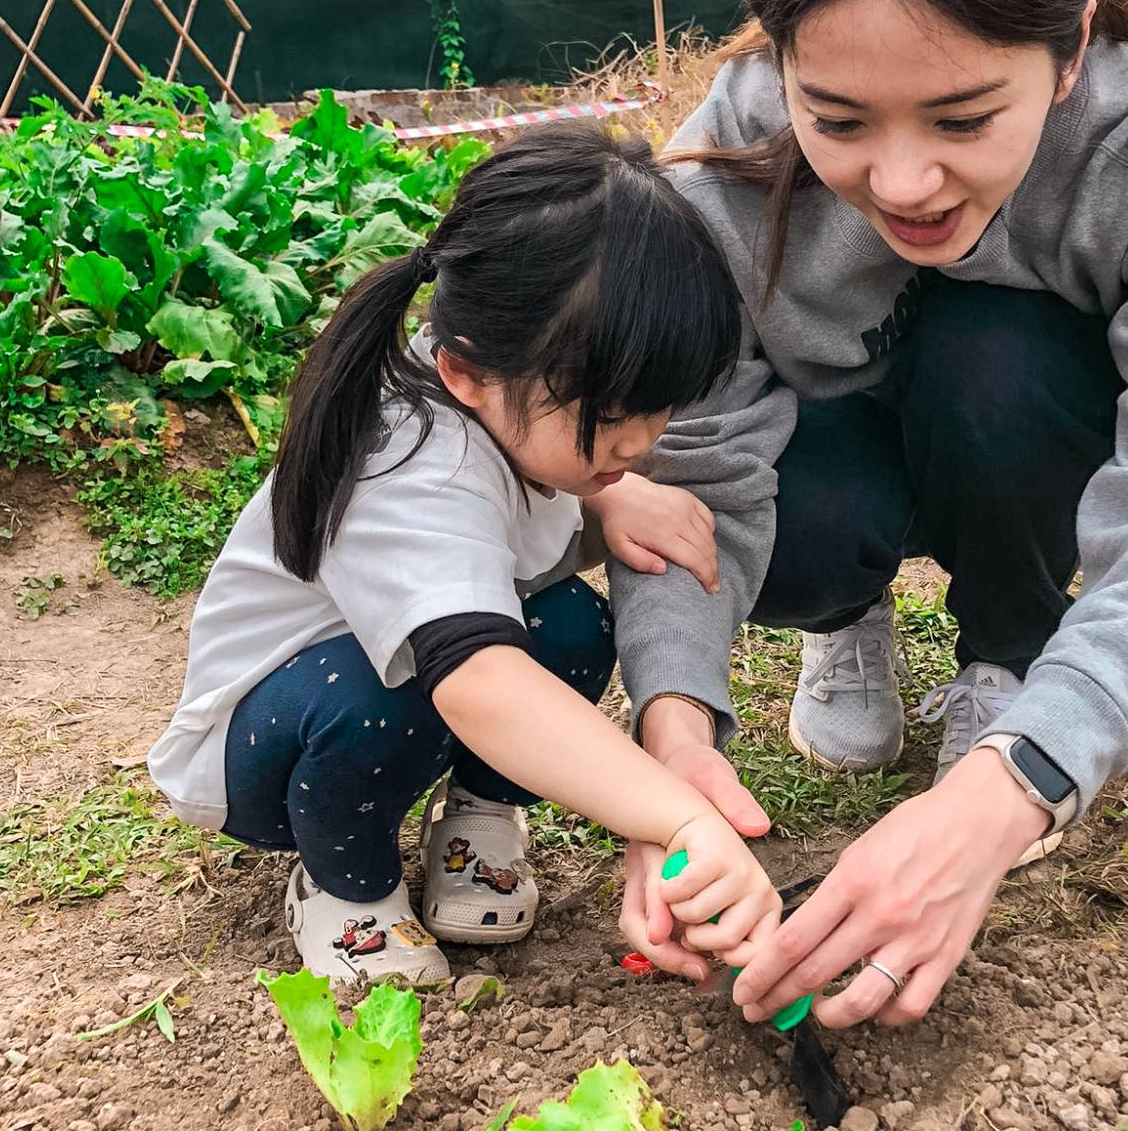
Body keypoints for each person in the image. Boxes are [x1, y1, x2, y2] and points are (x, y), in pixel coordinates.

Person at [611, 0, 1128, 1032]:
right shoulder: (733, 154)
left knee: (1002, 359)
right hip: (839, 443)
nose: (905, 179)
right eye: (843, 119)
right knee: (783, 517)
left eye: (965, 115)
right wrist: (673, 747)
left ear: (1072, 45)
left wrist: (1014, 783)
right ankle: (844, 613)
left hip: (1022, 433)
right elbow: (690, 475)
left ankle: (1007, 658)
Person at [149, 124, 781, 986]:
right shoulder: (410, 462)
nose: (639, 440)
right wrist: (677, 819)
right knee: (396, 688)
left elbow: (510, 548)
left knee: (569, 625)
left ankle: (477, 827)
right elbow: (480, 685)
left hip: (392, 692)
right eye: (606, 413)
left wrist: (603, 494)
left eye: (659, 404)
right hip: (263, 749)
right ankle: (346, 890)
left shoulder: (500, 409)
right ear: (465, 372)